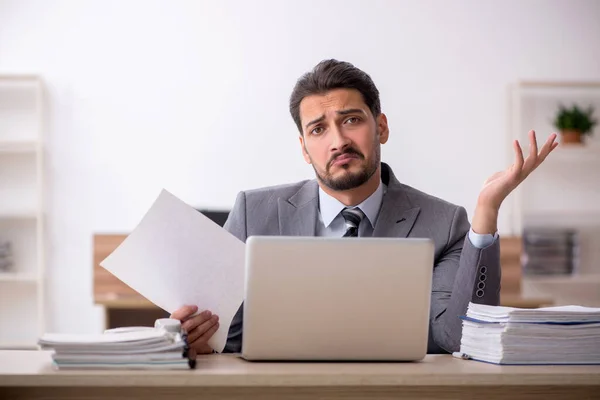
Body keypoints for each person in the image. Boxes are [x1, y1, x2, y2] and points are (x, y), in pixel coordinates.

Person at [171, 59, 558, 355]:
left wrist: (486, 211)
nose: (337, 140)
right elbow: (225, 336)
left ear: (381, 127)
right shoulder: (253, 212)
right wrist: (198, 338)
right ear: (304, 149)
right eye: (318, 129)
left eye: (351, 119)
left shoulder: (444, 222)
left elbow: (458, 337)